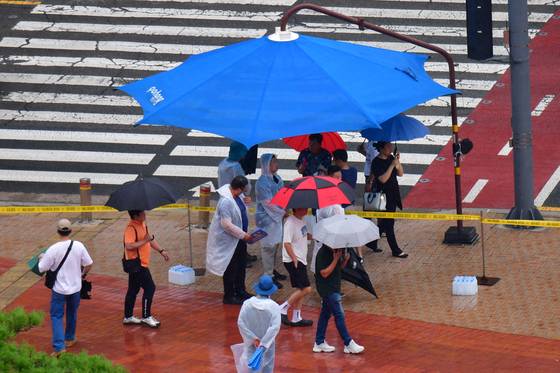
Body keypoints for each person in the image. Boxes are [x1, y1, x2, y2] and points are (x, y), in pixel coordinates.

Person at [38, 219, 93, 357]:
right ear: (70, 230)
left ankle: (59, 347)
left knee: (56, 316)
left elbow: (41, 268)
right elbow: (89, 263)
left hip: (59, 290)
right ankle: (70, 338)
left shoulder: (53, 249)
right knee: (72, 312)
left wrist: (41, 257)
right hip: (75, 288)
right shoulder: (79, 246)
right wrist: (83, 274)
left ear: (58, 231)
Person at [207, 175, 254, 305]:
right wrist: (243, 235)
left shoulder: (238, 196)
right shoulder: (226, 202)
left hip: (239, 239)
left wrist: (246, 202)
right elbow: (226, 224)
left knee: (241, 265)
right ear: (239, 188)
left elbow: (241, 211)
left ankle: (240, 290)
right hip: (230, 240)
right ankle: (229, 295)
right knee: (231, 268)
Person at [313, 245, 365, 354]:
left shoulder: (336, 251)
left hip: (335, 287)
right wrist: (336, 259)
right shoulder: (322, 254)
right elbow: (324, 273)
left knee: (325, 314)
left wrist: (344, 260)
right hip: (327, 289)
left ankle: (319, 342)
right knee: (339, 314)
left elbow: (338, 269)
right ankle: (348, 342)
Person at [123, 210, 170, 328]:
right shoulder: (131, 228)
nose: (145, 214)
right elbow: (128, 245)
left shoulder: (143, 224)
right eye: (142, 213)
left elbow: (150, 240)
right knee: (150, 288)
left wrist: (161, 251)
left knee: (133, 290)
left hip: (141, 264)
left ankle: (128, 317)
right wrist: (145, 240)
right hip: (137, 265)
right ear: (136, 215)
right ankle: (146, 316)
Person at [366, 141, 408, 258]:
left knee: (385, 223)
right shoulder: (376, 162)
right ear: (381, 148)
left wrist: (397, 163)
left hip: (393, 194)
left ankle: (372, 242)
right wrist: (391, 166)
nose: (391, 148)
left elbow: (400, 174)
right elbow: (383, 179)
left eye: (391, 146)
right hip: (383, 196)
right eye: (388, 146)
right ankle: (396, 250)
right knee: (389, 223)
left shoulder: (391, 158)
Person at [255, 154, 287, 289]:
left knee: (276, 245)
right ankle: (268, 276)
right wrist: (282, 212)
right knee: (268, 247)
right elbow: (267, 203)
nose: (276, 164)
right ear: (266, 165)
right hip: (267, 220)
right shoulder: (261, 183)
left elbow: (283, 195)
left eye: (276, 161)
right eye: (273, 162)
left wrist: (283, 209)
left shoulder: (277, 178)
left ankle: (272, 270)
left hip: (277, 218)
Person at [237, 275, 281, 373]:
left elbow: (241, 322)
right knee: (267, 366)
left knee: (252, 364)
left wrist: (253, 338)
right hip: (268, 344)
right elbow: (274, 327)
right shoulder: (274, 307)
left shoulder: (247, 304)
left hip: (252, 343)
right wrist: (264, 343)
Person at [279, 207, 313, 327]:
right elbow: (287, 243)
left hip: (301, 259)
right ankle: (282, 308)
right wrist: (293, 257)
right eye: (303, 208)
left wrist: (310, 236)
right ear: (296, 209)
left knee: (301, 289)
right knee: (307, 289)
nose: (306, 210)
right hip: (294, 260)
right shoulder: (290, 222)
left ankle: (296, 317)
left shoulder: (302, 221)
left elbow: (301, 235)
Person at [310, 165, 345, 273]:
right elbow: (326, 212)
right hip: (326, 235)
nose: (340, 180)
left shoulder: (335, 192)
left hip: (330, 234)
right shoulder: (326, 195)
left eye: (341, 177)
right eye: (337, 177)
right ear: (329, 178)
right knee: (324, 260)